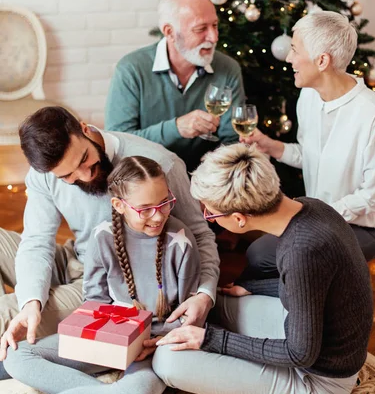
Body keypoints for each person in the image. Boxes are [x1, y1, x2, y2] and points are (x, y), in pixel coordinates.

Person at [151, 143, 374, 394]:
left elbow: (300, 354)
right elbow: (316, 289)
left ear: (238, 219)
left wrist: (209, 339)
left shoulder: (302, 250)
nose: (208, 218)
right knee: (213, 306)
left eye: (210, 213)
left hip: (318, 380)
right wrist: (253, 287)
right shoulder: (311, 208)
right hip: (314, 334)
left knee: (166, 362)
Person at [2, 156, 200, 394]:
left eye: (164, 203)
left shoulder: (181, 243)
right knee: (17, 356)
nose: (158, 216)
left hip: (156, 345)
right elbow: (94, 299)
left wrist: (154, 340)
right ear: (119, 205)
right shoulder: (102, 237)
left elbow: (187, 314)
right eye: (145, 209)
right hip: (111, 337)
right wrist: (100, 338)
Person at [0, 107, 218, 374]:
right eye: (67, 176)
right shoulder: (44, 174)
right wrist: (31, 302)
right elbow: (36, 242)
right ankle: (22, 343)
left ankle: (19, 351)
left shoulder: (158, 163)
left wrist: (205, 294)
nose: (84, 176)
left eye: (84, 160)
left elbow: (200, 234)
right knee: (23, 302)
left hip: (106, 287)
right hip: (74, 258)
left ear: (85, 128)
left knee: (4, 314)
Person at [240, 11, 375, 278]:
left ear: (322, 60)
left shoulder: (374, 114)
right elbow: (311, 156)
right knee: (257, 254)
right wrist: (272, 146)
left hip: (363, 228)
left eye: (294, 50)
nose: (289, 58)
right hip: (318, 218)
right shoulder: (308, 97)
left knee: (270, 257)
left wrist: (309, 215)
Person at [104, 0, 246, 172]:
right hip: (148, 180)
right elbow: (118, 143)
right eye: (200, 29)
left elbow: (232, 140)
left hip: (209, 181)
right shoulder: (131, 69)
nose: (213, 37)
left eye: (214, 25)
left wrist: (206, 179)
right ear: (169, 32)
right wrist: (176, 128)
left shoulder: (227, 68)